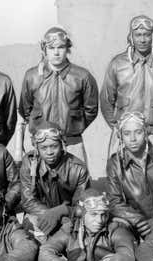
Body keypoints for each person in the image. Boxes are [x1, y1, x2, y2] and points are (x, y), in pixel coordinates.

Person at [100, 15, 153, 152]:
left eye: (146, 35)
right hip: (124, 135)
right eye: (138, 35)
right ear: (131, 37)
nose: (142, 40)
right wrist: (121, 128)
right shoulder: (117, 64)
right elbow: (106, 100)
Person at [18, 26, 98, 163]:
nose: (56, 52)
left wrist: (74, 126)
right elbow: (25, 109)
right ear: (44, 50)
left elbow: (91, 109)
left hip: (72, 143)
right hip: (42, 144)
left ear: (67, 48)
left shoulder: (82, 76)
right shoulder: (32, 76)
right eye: (51, 48)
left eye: (60, 47)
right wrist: (39, 129)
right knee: (42, 182)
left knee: (77, 179)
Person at [106, 111, 153, 240]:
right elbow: (114, 201)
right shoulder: (115, 164)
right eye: (127, 134)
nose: (133, 139)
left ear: (146, 133)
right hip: (133, 225)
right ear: (120, 136)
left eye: (138, 132)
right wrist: (138, 220)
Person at [20, 121, 90, 242]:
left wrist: (60, 212)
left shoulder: (78, 169)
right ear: (36, 148)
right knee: (31, 234)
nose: (49, 152)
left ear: (62, 145)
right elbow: (28, 201)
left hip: (68, 218)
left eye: (54, 146)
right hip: (39, 216)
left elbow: (82, 207)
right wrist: (50, 215)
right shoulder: (29, 163)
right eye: (44, 148)